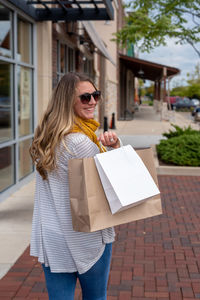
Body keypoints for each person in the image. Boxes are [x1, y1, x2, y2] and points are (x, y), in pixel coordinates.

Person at [29, 72, 121, 300]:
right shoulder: (79, 141)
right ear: (67, 100)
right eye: (85, 97)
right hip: (86, 236)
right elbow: (112, 181)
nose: (92, 102)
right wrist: (116, 148)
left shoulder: (46, 136)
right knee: (95, 297)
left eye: (95, 95)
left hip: (52, 236)